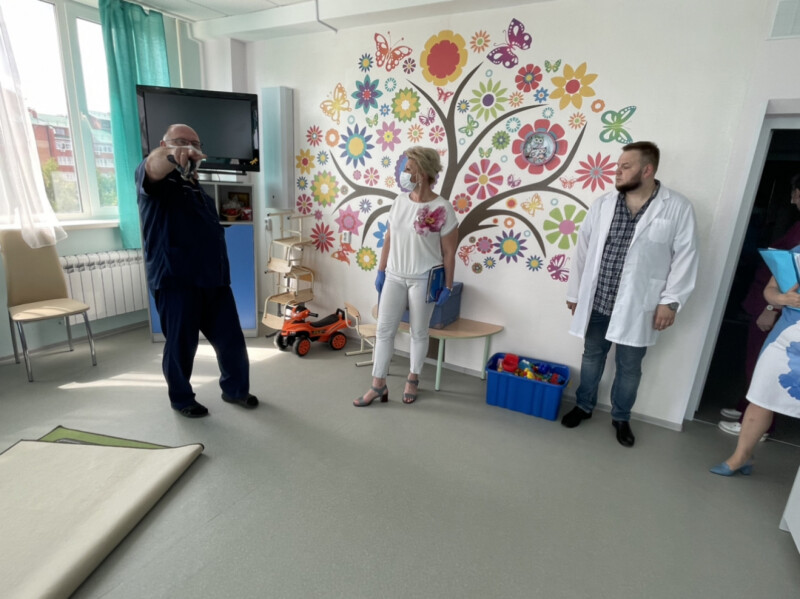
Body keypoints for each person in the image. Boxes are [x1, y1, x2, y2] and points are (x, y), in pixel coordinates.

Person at [561, 141, 699, 447]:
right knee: (592, 356)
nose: (617, 172)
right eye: (618, 166)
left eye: (626, 166)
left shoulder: (677, 207)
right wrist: (575, 293)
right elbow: (583, 250)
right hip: (598, 299)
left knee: (629, 366)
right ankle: (583, 405)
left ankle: (621, 417)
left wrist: (670, 302)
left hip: (640, 306)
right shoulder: (603, 204)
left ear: (647, 170)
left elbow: (686, 257)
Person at [136, 124, 258, 418]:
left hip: (214, 281)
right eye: (181, 142)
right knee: (181, 346)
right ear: (164, 144)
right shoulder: (154, 182)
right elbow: (153, 165)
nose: (190, 148)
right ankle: (181, 399)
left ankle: (235, 390)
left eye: (195, 144)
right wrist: (171, 154)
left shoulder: (198, 189)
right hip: (176, 281)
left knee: (231, 342)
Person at [354, 146, 458, 407]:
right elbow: (389, 237)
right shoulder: (400, 202)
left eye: (408, 168)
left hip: (424, 279)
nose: (403, 172)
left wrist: (447, 286)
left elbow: (449, 252)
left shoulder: (442, 208)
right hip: (394, 276)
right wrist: (381, 270)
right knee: (384, 330)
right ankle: (378, 384)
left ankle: (413, 378)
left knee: (418, 332)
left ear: (422, 173)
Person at [717, 175, 800, 440]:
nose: (793, 199)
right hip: (768, 297)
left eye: (795, 192)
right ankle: (747, 408)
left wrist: (771, 308)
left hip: (778, 307)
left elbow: (790, 278)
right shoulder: (797, 225)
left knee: (762, 364)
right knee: (754, 360)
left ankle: (758, 425)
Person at [711, 270, 800, 475]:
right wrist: (781, 299)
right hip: (784, 339)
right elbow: (771, 289)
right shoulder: (795, 255)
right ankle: (741, 457)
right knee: (761, 397)